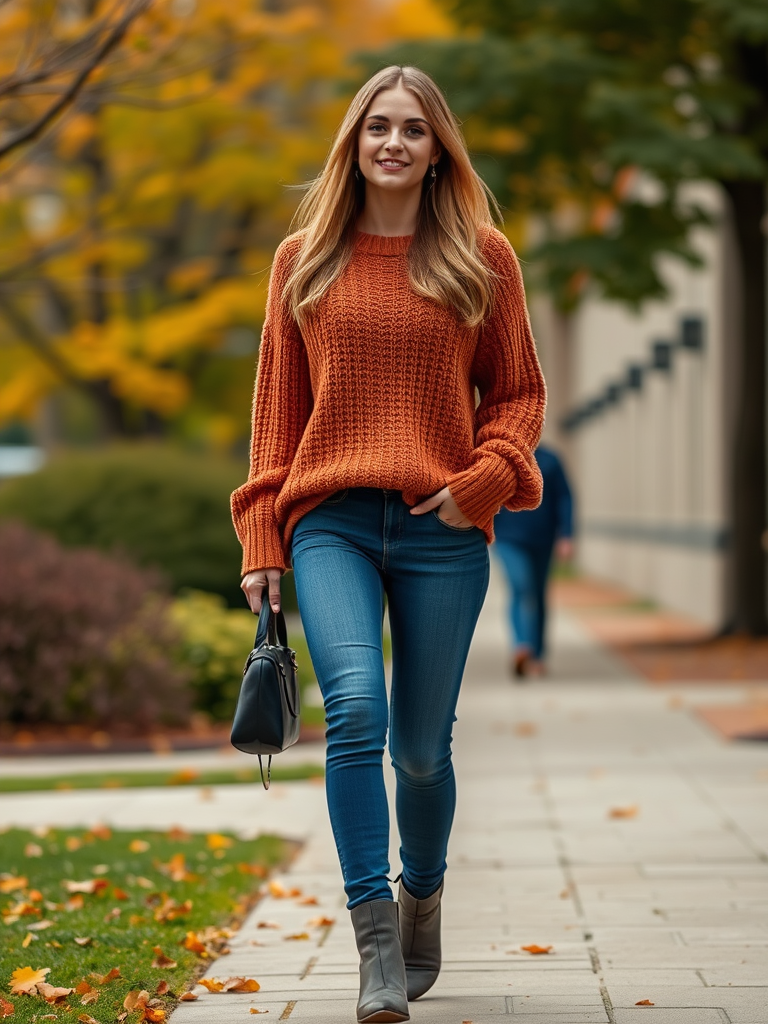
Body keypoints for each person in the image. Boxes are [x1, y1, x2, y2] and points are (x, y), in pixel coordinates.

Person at [231, 65, 545, 1024]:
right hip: (329, 520)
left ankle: (423, 897)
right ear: (354, 143)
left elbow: (519, 395)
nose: (394, 143)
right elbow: (276, 413)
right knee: (357, 711)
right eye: (378, 127)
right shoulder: (304, 260)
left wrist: (484, 480)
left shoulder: (482, 258)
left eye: (413, 129)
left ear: (438, 148)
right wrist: (261, 535)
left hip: (439, 529)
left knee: (418, 750)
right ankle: (374, 945)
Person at [493, 445, 574, 679]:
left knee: (538, 594)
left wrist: (566, 534)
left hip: (543, 539)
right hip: (508, 538)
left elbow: (564, 497)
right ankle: (522, 647)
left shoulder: (550, 460)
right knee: (520, 587)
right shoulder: (502, 456)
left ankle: (537, 655)